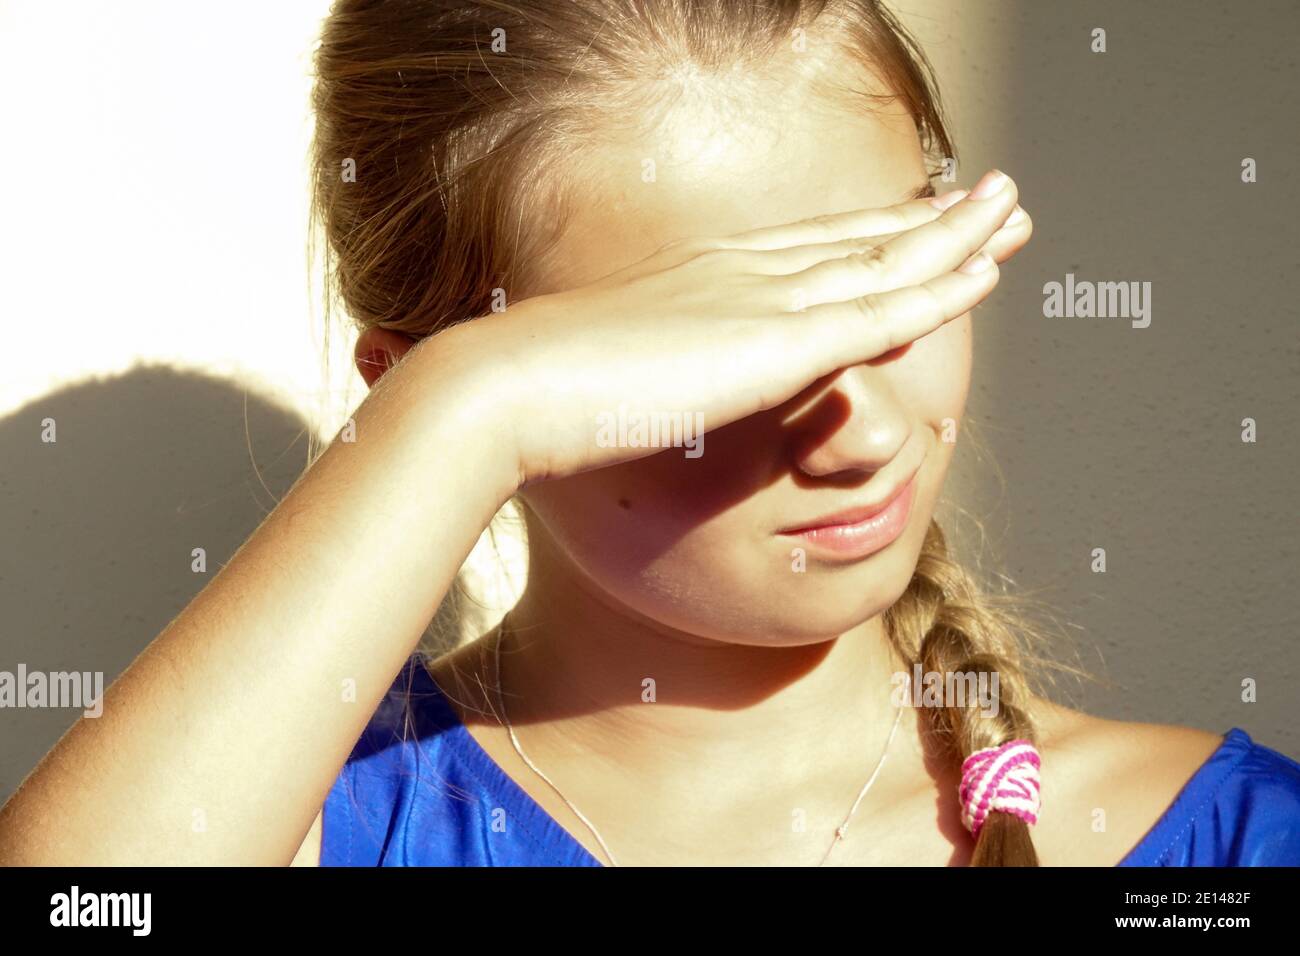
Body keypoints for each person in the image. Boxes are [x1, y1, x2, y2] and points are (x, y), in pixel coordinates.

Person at [3, 0, 1298, 868]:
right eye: (713, 356)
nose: (855, 428)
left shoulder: (1221, 851)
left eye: (889, 282)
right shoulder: (319, 830)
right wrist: (459, 411)